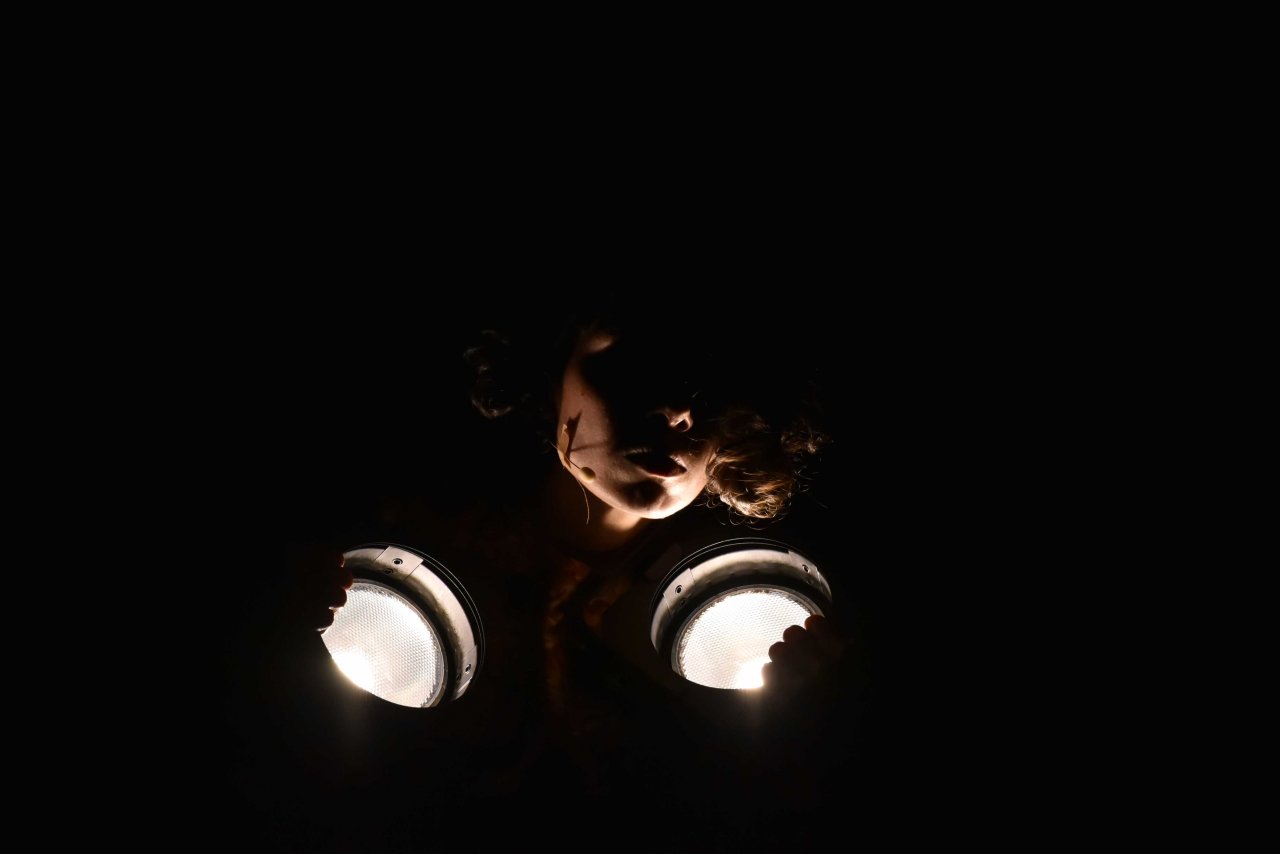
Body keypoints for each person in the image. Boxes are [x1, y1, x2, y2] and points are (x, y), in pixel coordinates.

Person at [277, 309, 865, 844]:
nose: (679, 412)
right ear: (554, 358)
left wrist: (807, 737)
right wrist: (278, 649)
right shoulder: (390, 533)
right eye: (638, 363)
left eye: (710, 384)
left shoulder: (762, 602)